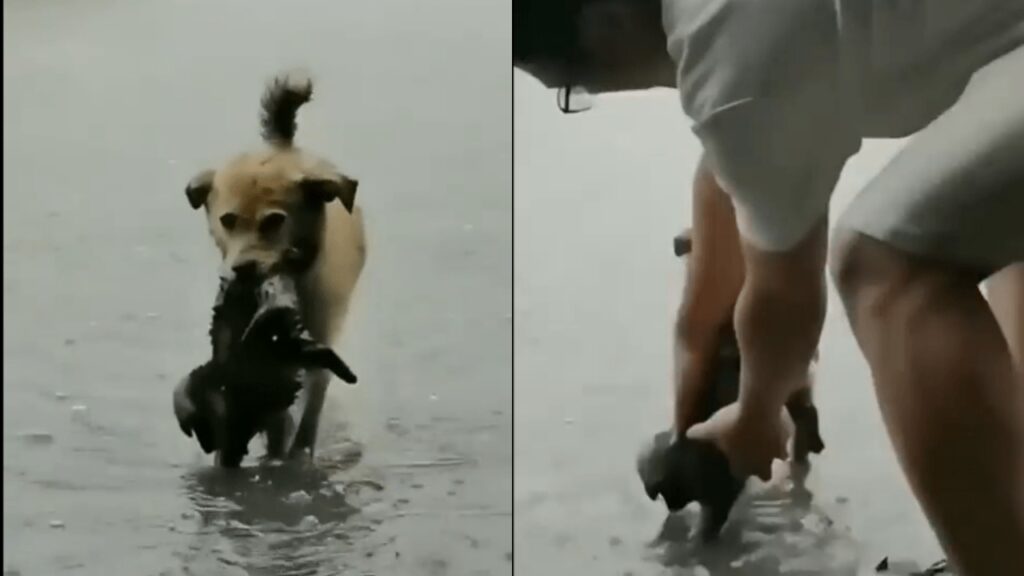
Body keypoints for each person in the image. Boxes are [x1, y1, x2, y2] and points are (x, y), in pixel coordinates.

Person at [513, 1, 1024, 573]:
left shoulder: (725, 59)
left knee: (885, 263)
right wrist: (739, 383)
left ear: (604, 21)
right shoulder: (723, 31)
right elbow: (729, 189)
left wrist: (755, 417)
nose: (596, 93)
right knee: (986, 218)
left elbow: (786, 298)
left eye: (575, 85)